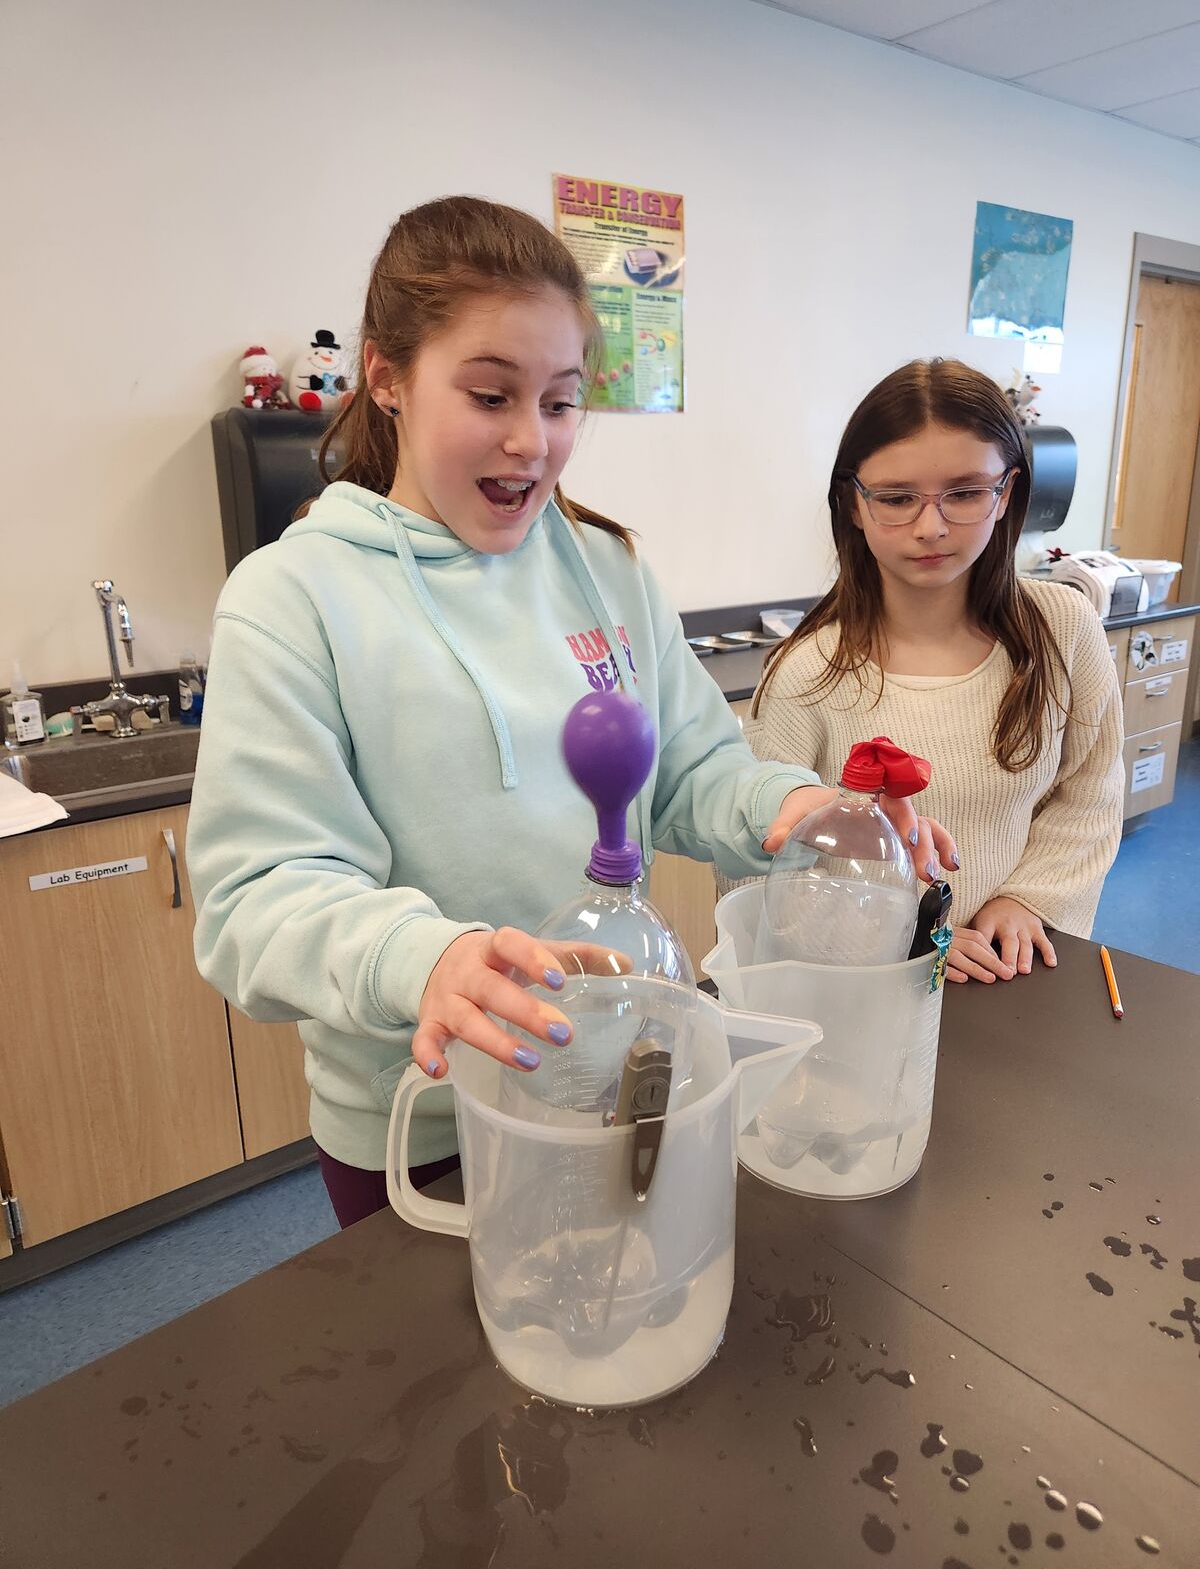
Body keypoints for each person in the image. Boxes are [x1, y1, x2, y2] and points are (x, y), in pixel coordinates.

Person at [187, 197, 952, 1225]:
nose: (531, 443)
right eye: (491, 395)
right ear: (385, 376)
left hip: (622, 1071)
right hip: (433, 1122)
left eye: (559, 401)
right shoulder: (294, 601)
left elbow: (689, 768)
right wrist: (429, 959)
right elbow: (260, 898)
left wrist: (793, 809)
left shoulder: (605, 567)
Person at [742, 358, 1123, 986]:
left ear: (1006, 495)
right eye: (896, 499)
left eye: (966, 493)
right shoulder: (807, 673)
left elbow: (1088, 794)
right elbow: (758, 870)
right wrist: (907, 947)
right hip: (865, 993)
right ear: (854, 505)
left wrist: (1028, 900)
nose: (931, 527)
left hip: (1013, 974)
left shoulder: (1062, 628)